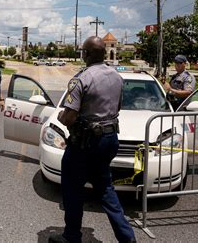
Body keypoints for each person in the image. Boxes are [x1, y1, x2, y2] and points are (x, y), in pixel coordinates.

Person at [49, 36, 136, 243]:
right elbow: (117, 108)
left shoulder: (81, 79)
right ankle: (127, 237)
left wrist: (62, 116)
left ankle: (71, 236)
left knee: (72, 187)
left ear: (86, 54)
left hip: (85, 143)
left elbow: (69, 116)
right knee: (105, 187)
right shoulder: (117, 77)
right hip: (109, 139)